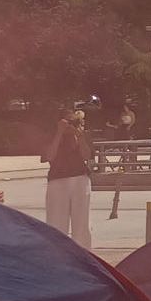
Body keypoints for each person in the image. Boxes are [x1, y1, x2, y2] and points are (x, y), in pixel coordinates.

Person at [45, 107, 94, 249]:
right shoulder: (52, 134)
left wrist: (79, 136)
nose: (69, 125)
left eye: (73, 121)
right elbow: (49, 156)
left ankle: (84, 253)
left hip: (80, 178)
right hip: (57, 179)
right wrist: (59, 133)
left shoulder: (81, 134)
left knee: (82, 223)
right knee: (56, 222)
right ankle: (57, 254)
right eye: (66, 121)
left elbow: (87, 155)